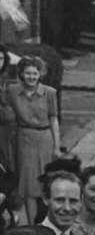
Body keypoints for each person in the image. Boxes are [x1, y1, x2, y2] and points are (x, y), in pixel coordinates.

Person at [2, 57, 61, 222]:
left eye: (35, 73)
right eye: (28, 73)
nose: (32, 77)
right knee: (28, 185)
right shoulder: (12, 90)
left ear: (40, 74)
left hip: (45, 138)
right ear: (21, 74)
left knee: (46, 182)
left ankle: (49, 221)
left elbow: (53, 118)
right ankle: (33, 223)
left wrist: (57, 145)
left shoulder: (49, 92)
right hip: (24, 139)